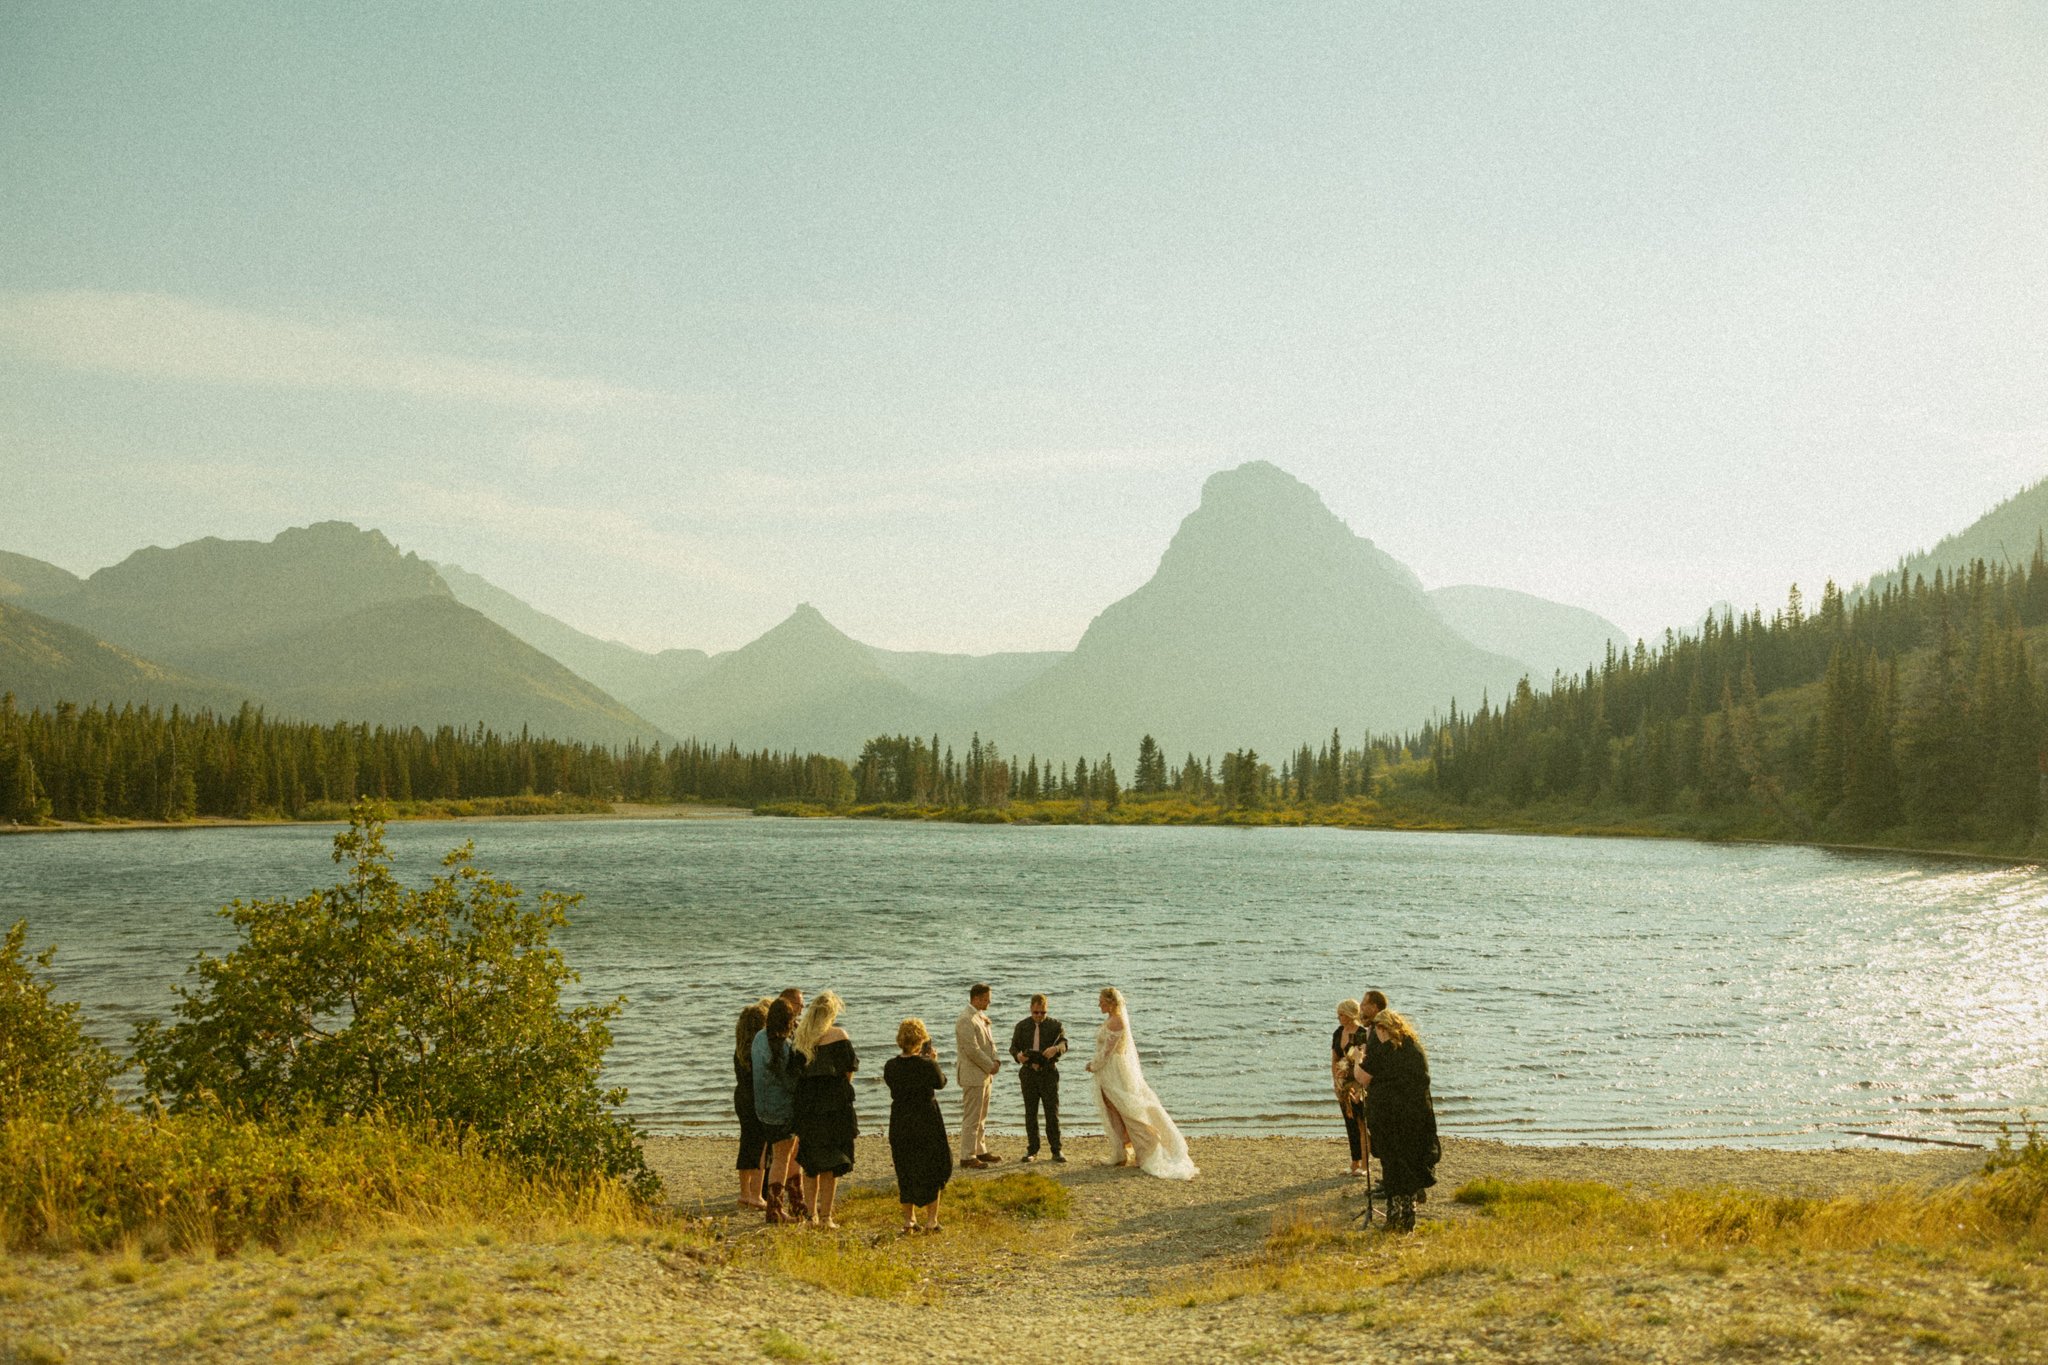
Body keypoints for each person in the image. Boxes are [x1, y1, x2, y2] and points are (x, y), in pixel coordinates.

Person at [1085, 987, 1197, 1180]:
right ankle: (1122, 1151)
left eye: (1102, 1000)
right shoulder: (1111, 1019)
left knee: (1128, 1110)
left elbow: (1107, 1051)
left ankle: (1148, 1148)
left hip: (1115, 1071)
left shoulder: (1117, 1021)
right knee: (1113, 1109)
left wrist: (1093, 1065)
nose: (1099, 1004)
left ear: (1111, 1002)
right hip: (1108, 1070)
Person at [1354, 1009, 1439, 1231]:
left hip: (1390, 1118)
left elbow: (1362, 1078)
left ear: (1383, 1029)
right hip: (1415, 1116)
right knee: (1408, 1164)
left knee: (1392, 1165)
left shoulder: (1384, 1049)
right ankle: (1408, 1217)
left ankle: (1394, 1217)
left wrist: (1357, 1059)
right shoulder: (1414, 1048)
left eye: (1378, 1031)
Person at [791, 990, 859, 1228]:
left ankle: (811, 1216)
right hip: (835, 1106)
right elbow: (849, 1070)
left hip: (808, 1108)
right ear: (831, 1013)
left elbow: (794, 1076)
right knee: (831, 1163)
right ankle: (827, 1216)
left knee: (811, 1164)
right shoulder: (839, 1035)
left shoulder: (801, 1040)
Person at [884, 1017, 953, 1234]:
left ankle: (909, 1219)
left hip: (901, 1117)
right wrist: (933, 1060)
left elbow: (892, 1083)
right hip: (925, 1117)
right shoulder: (927, 1065)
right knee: (933, 1164)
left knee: (905, 1166)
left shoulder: (891, 1065)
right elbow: (940, 1082)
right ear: (921, 1040)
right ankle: (932, 1219)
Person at [752, 995, 806, 1224]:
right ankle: (775, 1209)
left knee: (788, 1154)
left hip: (763, 1108)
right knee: (783, 1158)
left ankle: (797, 1202)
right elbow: (792, 1083)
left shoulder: (758, 1039)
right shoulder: (785, 1047)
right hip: (783, 1111)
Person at [1009, 993, 1068, 1163]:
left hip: (1048, 1072)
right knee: (1030, 1112)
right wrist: (1018, 1056)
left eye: (1043, 1013)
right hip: (1028, 1073)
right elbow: (1013, 1047)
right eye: (1036, 1013)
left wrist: (1056, 1049)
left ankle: (1056, 1149)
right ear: (1031, 1009)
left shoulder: (1055, 1025)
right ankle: (1032, 1149)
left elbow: (1065, 1043)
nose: (1039, 1016)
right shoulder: (1022, 1026)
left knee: (1052, 1112)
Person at [954, 983, 1001, 1168]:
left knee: (982, 1115)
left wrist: (996, 1059)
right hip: (973, 1074)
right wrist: (990, 1065)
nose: (989, 1001)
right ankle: (967, 1155)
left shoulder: (980, 1017)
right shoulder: (965, 1019)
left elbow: (990, 1042)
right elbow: (971, 1049)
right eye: (986, 998)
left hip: (984, 1074)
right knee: (972, 1116)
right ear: (976, 998)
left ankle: (980, 1149)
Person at [734, 1000, 772, 1209]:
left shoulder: (740, 1050)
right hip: (757, 1098)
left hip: (741, 1097)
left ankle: (744, 1192)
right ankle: (756, 1194)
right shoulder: (759, 1050)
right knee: (761, 1146)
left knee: (747, 1142)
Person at [1331, 999, 1369, 1179]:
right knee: (1349, 1123)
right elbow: (1334, 1059)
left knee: (1361, 1124)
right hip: (1343, 1082)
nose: (1339, 1018)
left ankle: (1365, 1164)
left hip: (1358, 1082)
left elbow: (1364, 1059)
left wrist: (1356, 1082)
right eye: (1339, 1014)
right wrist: (1336, 1081)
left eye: (1342, 1014)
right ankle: (1354, 1162)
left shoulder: (1362, 1033)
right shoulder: (1338, 1033)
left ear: (1351, 1014)